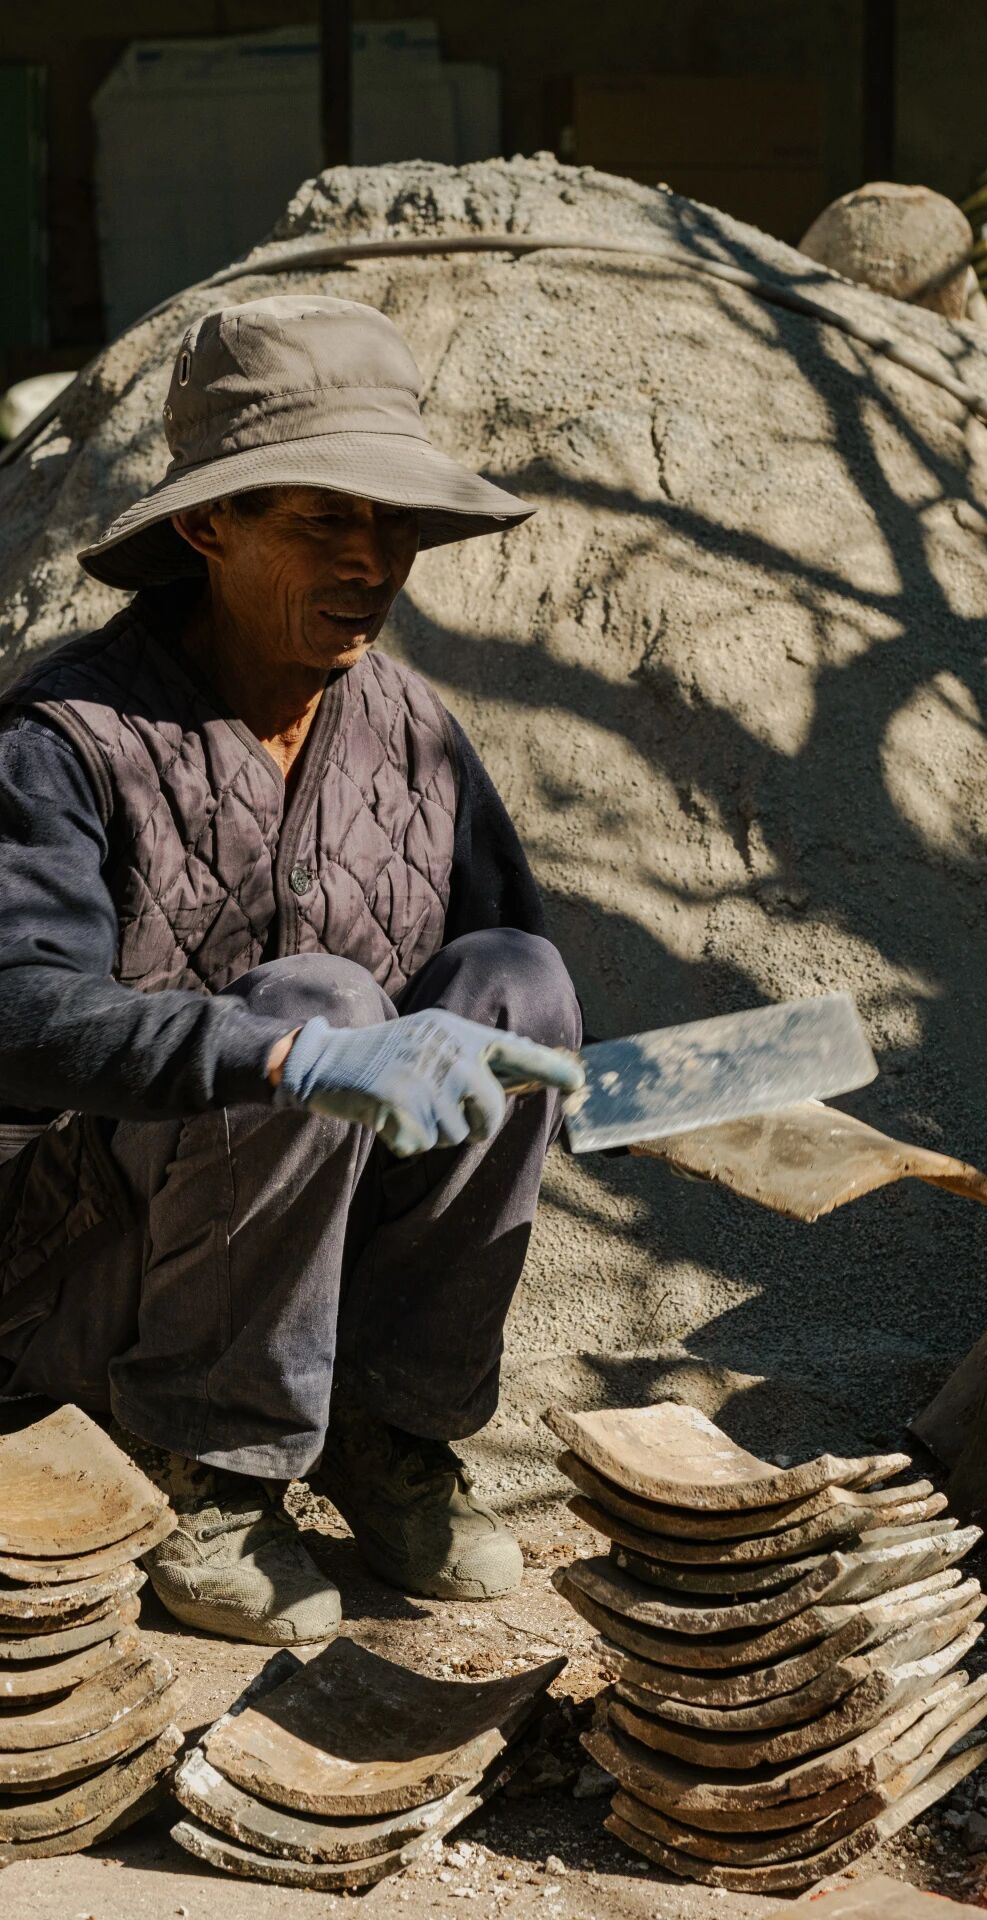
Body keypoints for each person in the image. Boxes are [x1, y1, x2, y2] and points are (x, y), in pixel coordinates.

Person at [0, 294, 584, 1647]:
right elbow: (15, 1010)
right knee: (317, 1005)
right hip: (82, 1263)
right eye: (327, 519)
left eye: (398, 525)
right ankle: (206, 1465)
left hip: (323, 1273)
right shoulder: (65, 736)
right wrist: (289, 1054)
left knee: (519, 982)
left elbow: (501, 997)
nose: (375, 561)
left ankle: (389, 1436)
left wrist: (594, 1095)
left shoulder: (416, 734)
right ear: (210, 526)